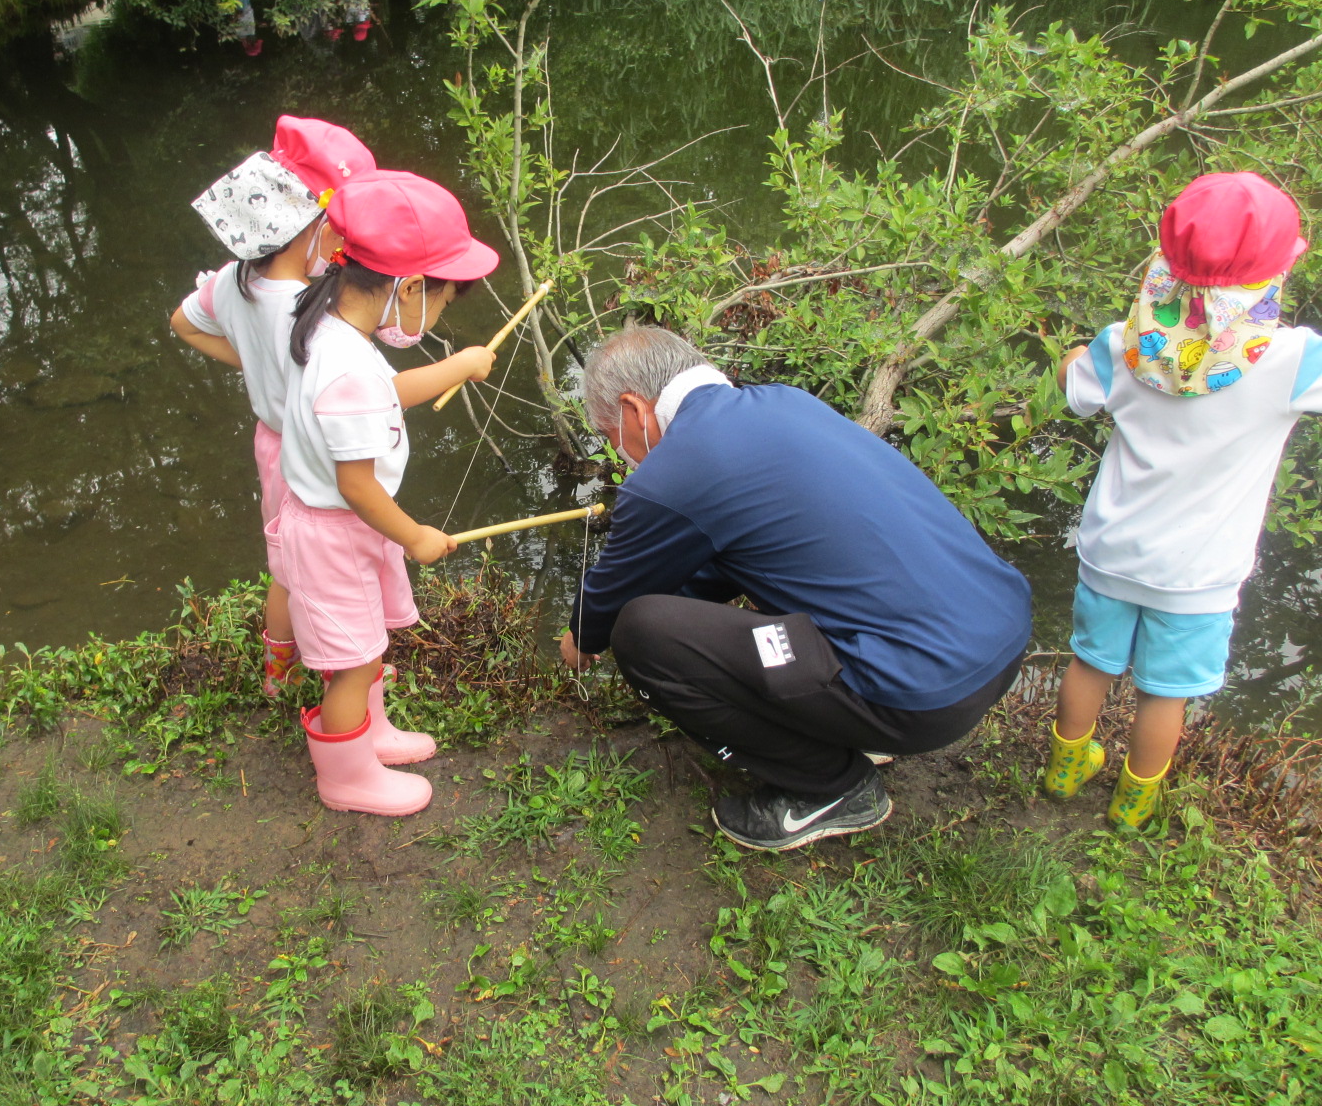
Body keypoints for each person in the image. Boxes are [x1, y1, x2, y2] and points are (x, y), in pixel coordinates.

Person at [558, 325, 1031, 851]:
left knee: (643, 634)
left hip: (925, 692)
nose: (617, 450)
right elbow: (728, 555)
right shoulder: (785, 403)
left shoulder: (678, 467)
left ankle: (834, 787)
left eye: (609, 435)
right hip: (1002, 641)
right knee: (689, 613)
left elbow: (608, 603)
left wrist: (582, 638)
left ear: (633, 409)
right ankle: (852, 724)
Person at [1045, 171, 1320, 827]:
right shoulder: (1292, 363)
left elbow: (1077, 391)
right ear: (1283, 268)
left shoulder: (1124, 346)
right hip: (1198, 574)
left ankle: (1065, 767)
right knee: (1164, 691)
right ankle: (1135, 802)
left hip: (1112, 549)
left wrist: (1072, 356)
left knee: (1091, 661)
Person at [277, 169, 499, 816]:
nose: (440, 313)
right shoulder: (345, 367)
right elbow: (356, 486)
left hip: (340, 528)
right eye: (443, 301)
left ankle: (368, 733)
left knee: (365, 645)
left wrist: (459, 366)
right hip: (337, 532)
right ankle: (346, 778)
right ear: (406, 288)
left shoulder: (339, 330)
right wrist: (414, 536)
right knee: (351, 661)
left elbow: (386, 393)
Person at [171, 116, 375, 695]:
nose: (342, 241)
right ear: (307, 227)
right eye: (335, 228)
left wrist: (256, 362)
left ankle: (276, 674)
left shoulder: (233, 282)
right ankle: (343, 665)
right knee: (328, 563)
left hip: (271, 444)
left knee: (285, 567)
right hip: (313, 453)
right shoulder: (309, 313)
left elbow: (183, 324)